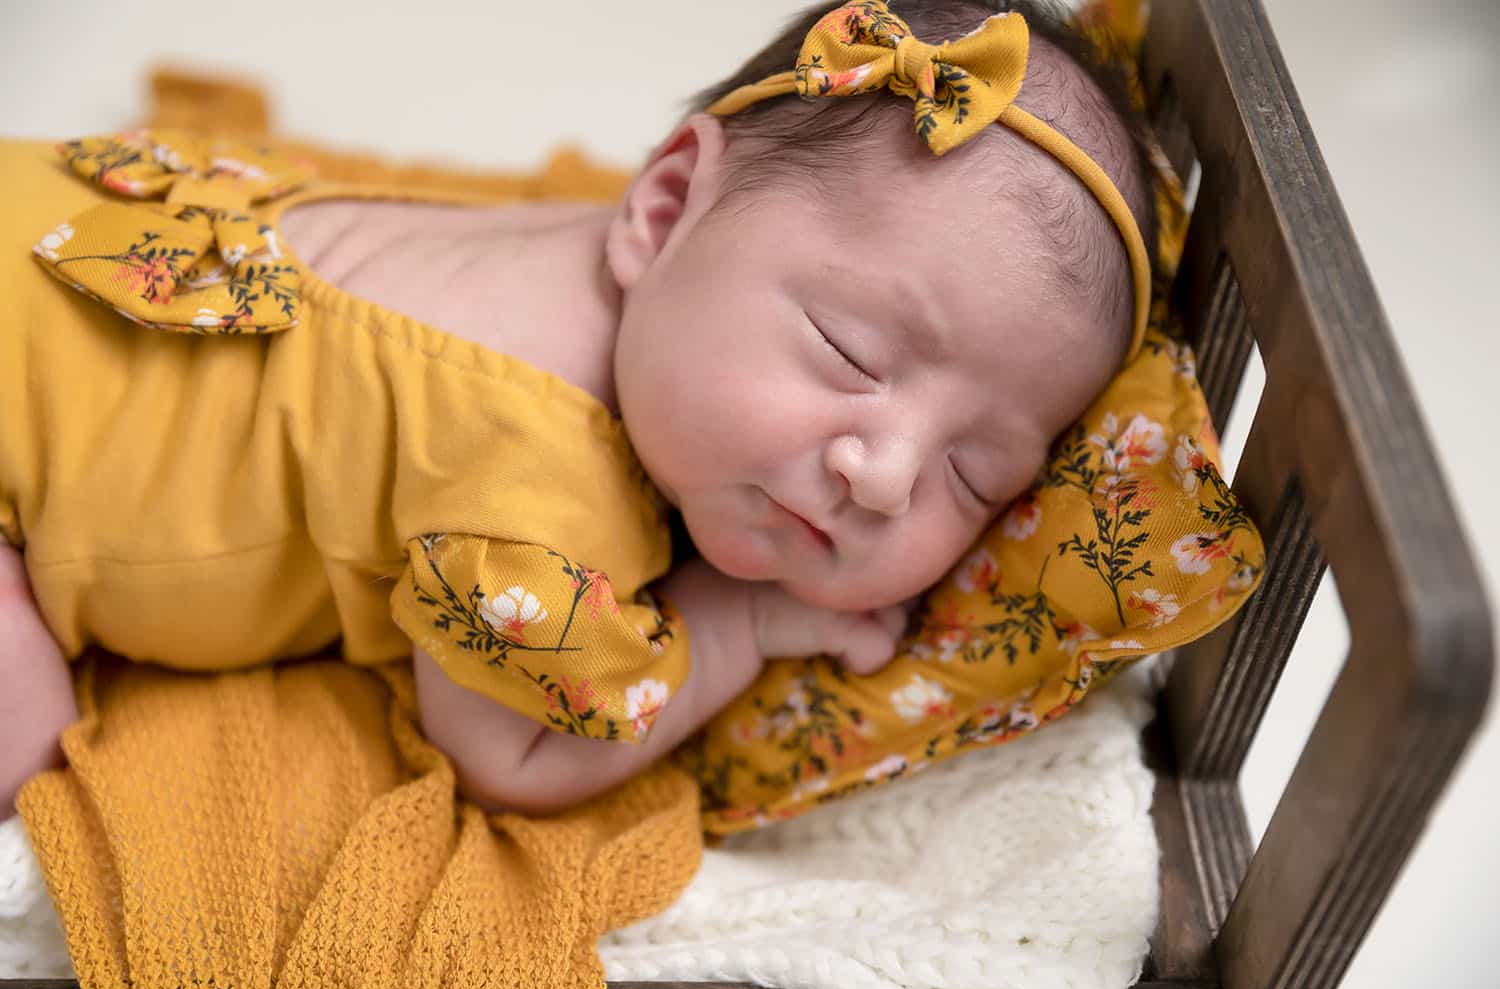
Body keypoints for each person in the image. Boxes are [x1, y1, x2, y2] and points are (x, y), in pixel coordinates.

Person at [0, 0, 1154, 819]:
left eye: (978, 475)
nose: (888, 476)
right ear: (659, 210)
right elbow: (519, 749)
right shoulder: (534, 484)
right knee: (28, 755)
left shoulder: (598, 241)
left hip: (43, 220)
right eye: (849, 350)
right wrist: (732, 628)